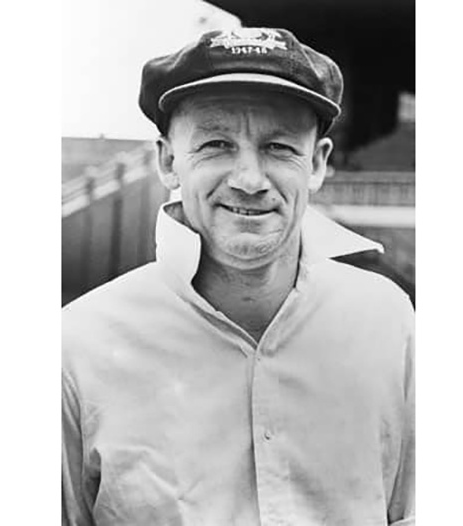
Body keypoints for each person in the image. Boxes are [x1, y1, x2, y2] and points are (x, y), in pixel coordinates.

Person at [62, 27, 415, 526]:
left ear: (317, 163)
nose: (249, 180)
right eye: (216, 144)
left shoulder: (388, 322)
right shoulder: (78, 347)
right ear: (168, 160)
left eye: (279, 147)